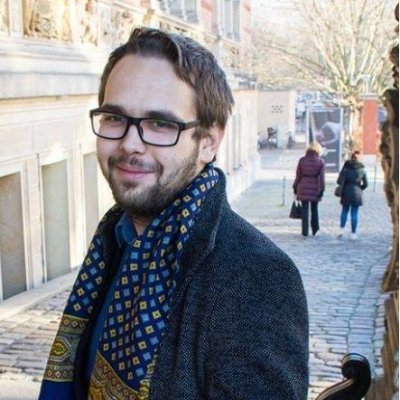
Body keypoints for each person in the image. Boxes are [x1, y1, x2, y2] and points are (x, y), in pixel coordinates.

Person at [39, 27, 308, 400]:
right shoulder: (113, 242)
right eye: (115, 118)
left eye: (161, 124)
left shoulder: (256, 276)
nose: (130, 144)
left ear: (208, 142)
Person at [293, 142, 325, 238]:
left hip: (303, 186)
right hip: (315, 187)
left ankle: (305, 231)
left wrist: (295, 187)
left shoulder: (302, 160)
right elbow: (322, 178)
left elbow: (298, 176)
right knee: (314, 210)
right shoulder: (320, 161)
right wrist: (322, 190)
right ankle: (315, 230)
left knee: (305, 210)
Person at [337, 150, 368, 240]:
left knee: (344, 211)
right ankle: (353, 233)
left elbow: (339, 181)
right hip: (357, 192)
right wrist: (360, 188)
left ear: (351, 157)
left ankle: (341, 230)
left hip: (346, 191)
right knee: (354, 213)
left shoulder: (346, 167)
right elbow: (366, 184)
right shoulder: (362, 169)